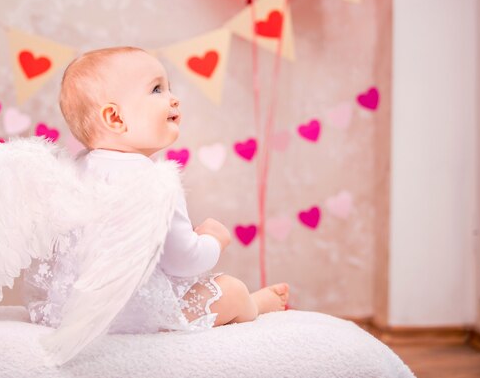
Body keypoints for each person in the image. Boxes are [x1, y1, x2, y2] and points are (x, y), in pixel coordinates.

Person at [25, 46, 289, 334]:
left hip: (73, 310)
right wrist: (212, 240)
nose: (173, 99)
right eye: (157, 90)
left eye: (168, 88)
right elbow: (183, 262)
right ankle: (252, 304)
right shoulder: (153, 179)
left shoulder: (75, 170)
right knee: (231, 290)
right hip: (128, 314)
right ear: (115, 118)